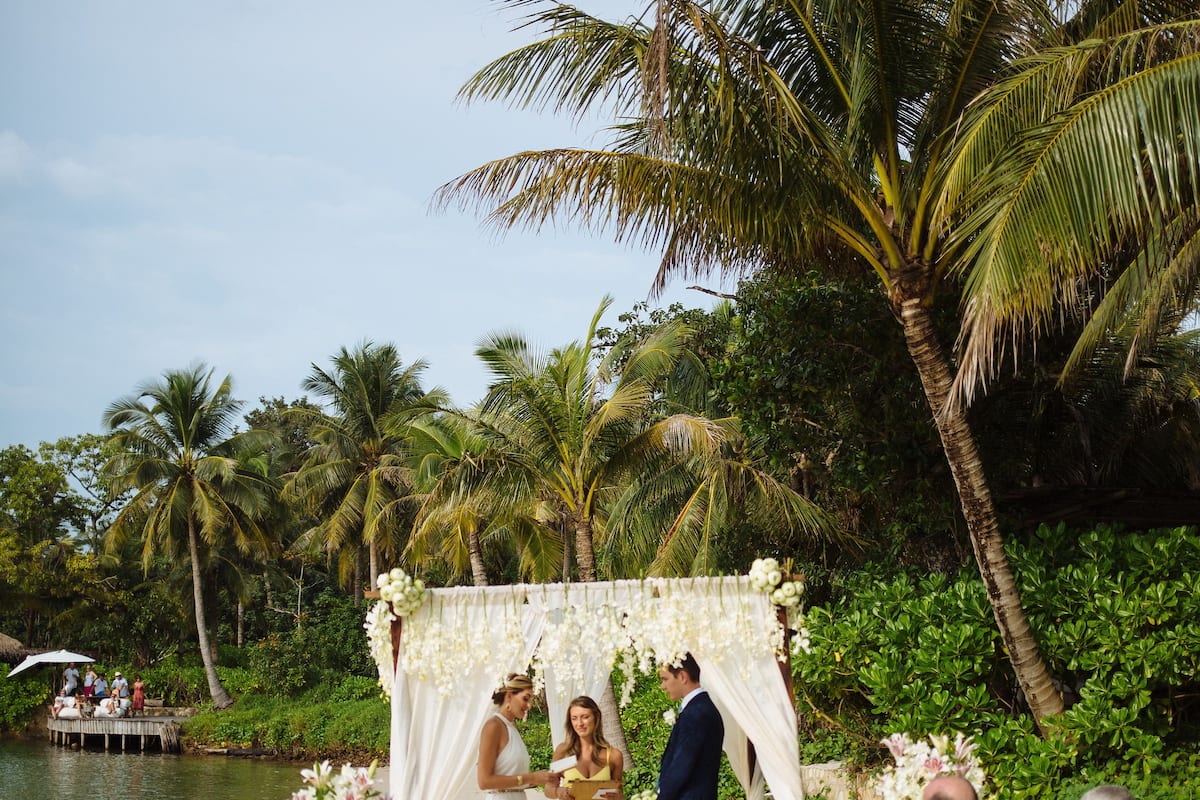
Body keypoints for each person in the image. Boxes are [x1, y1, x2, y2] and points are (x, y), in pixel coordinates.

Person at [478, 673, 559, 799]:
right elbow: (484, 781)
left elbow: (514, 778)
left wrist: (543, 778)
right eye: (525, 698)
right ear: (509, 696)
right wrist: (531, 777)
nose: (529, 705)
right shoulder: (493, 726)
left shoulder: (512, 728)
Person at [656, 653, 723, 800]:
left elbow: (681, 767)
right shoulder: (701, 708)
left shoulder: (697, 714)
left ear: (682, 677)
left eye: (665, 679)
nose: (663, 686)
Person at [544, 696, 624, 800]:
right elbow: (549, 788)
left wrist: (619, 796)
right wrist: (558, 792)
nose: (579, 724)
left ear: (596, 717)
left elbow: (619, 793)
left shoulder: (613, 756)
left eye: (585, 717)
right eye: (574, 718)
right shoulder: (564, 753)